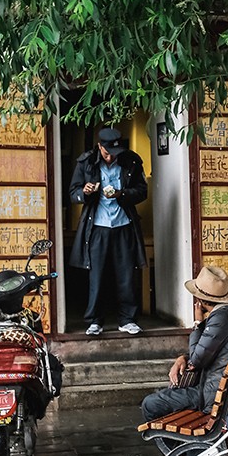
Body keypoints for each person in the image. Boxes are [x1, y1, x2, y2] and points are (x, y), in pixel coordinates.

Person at [140, 266, 228, 421]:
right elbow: (209, 349)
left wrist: (197, 323)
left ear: (200, 300)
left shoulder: (220, 318)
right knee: (162, 395)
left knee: (150, 403)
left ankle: (176, 445)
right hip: (225, 388)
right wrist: (183, 357)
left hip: (212, 395)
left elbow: (196, 361)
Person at [68, 127, 148, 336]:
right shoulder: (85, 162)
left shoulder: (131, 160)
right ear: (99, 147)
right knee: (97, 276)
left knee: (126, 274)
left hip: (124, 225)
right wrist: (85, 192)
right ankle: (95, 321)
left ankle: (128, 320)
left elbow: (142, 191)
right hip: (97, 227)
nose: (111, 156)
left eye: (115, 152)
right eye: (106, 153)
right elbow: (72, 192)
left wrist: (123, 194)